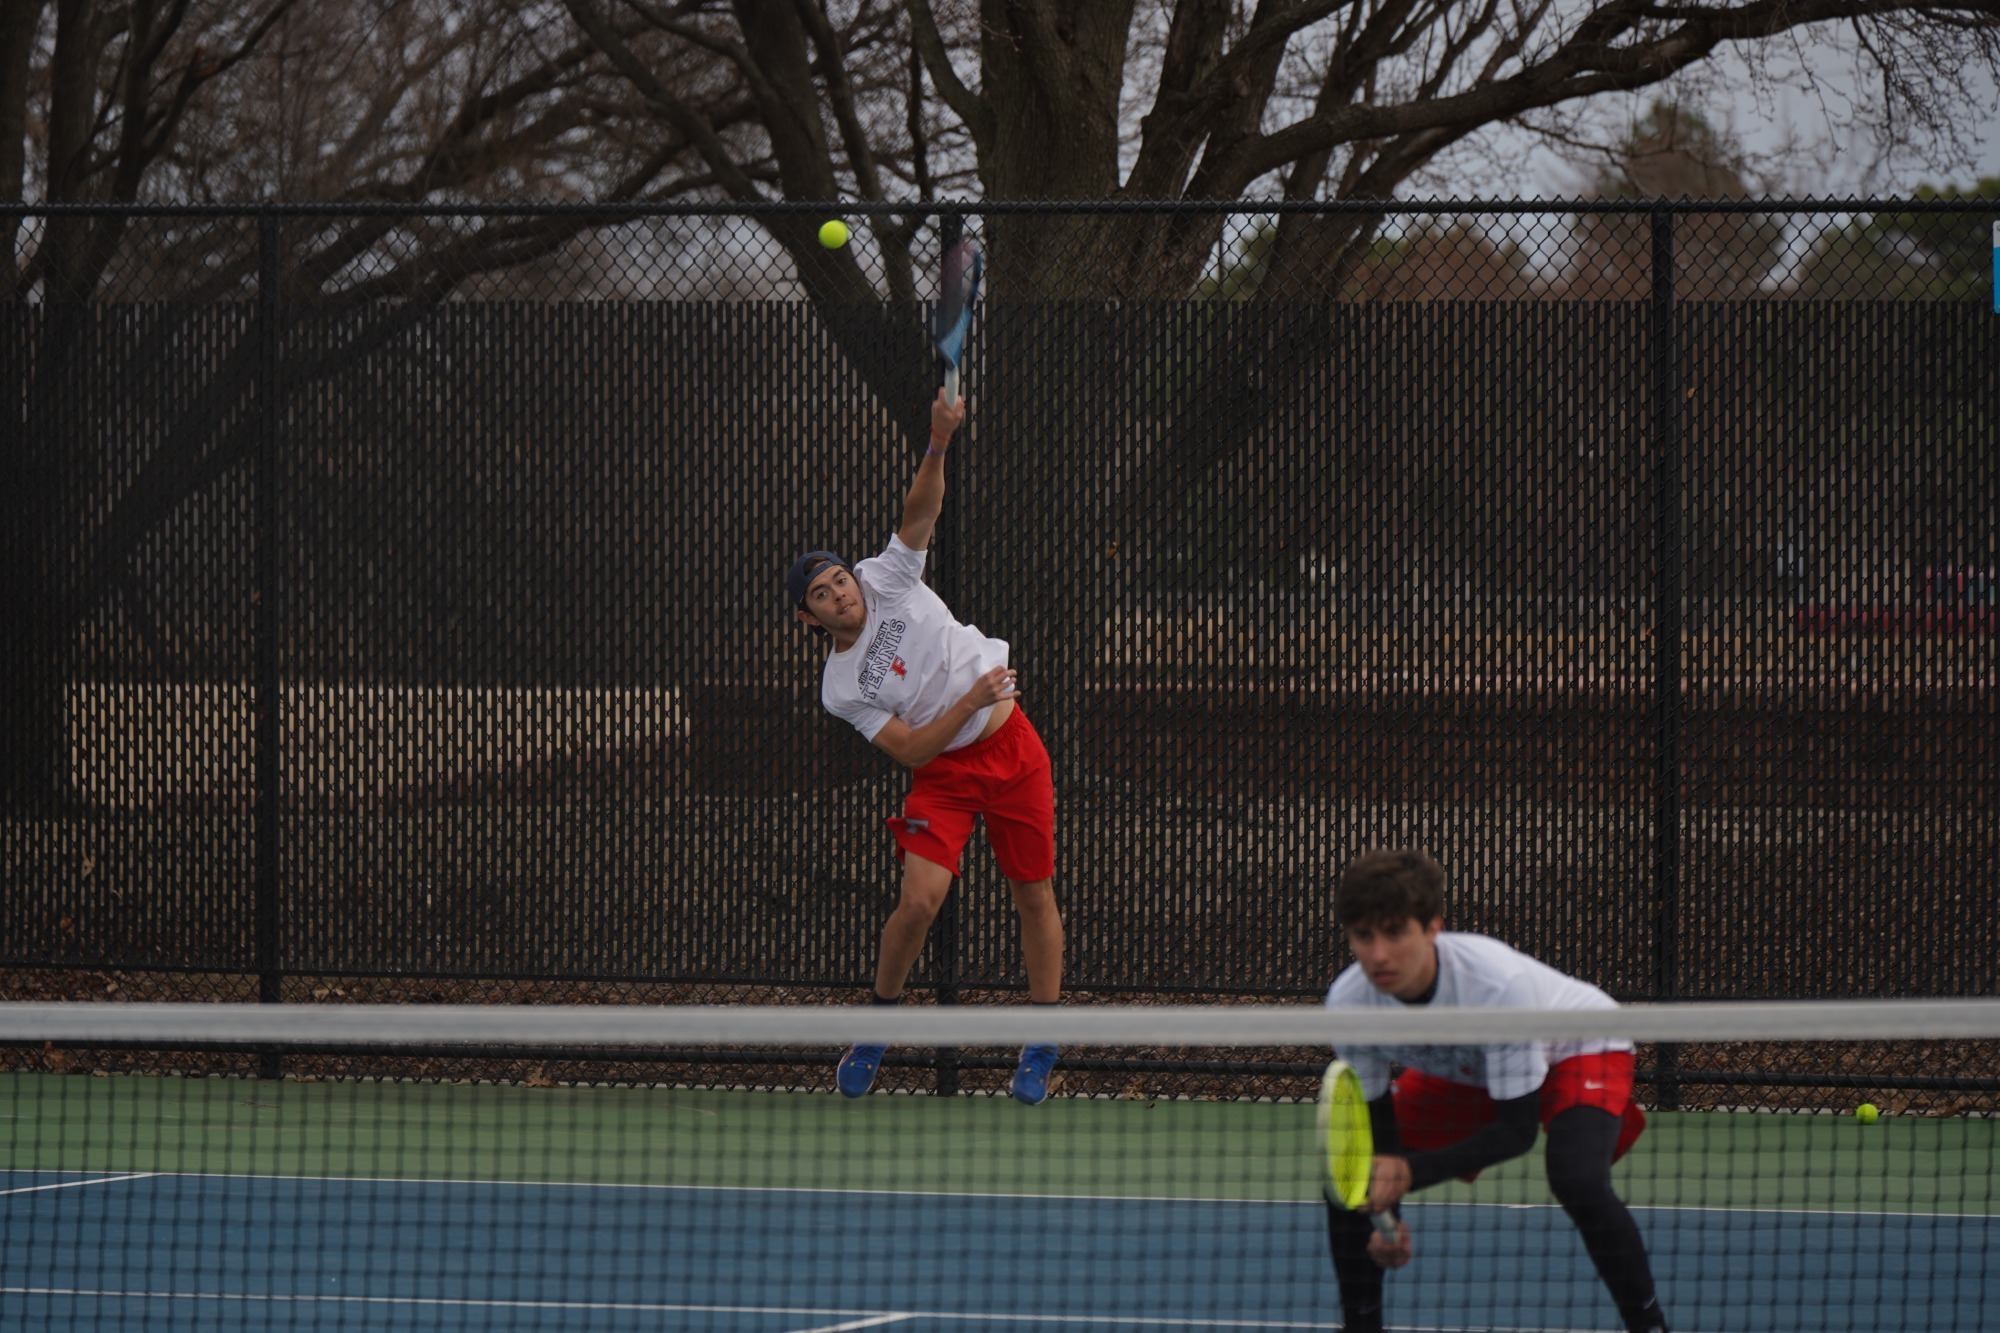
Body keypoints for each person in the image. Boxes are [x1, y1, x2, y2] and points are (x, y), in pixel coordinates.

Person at [786, 387, 1063, 1106]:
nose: (840, 592)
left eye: (839, 578)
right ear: (810, 619)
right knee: (918, 902)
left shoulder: (890, 576)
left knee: (1032, 892)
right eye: (823, 592)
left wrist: (938, 440)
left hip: (1014, 750)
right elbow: (909, 750)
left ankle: (1041, 1042)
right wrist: (970, 700)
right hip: (942, 773)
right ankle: (877, 1027)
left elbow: (921, 511)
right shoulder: (839, 686)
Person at [1323, 848, 1668, 1333]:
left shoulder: (1494, 987)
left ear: (1431, 928)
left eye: (1396, 932)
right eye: (1363, 935)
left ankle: (1650, 1327)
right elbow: (1381, 1132)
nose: (1379, 955)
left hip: (1579, 1041)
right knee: (1349, 1186)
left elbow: (1516, 1129)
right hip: (1477, 1068)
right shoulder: (1348, 1003)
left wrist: (1408, 1173)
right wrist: (1383, 1216)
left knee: (1577, 1180)